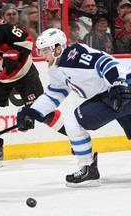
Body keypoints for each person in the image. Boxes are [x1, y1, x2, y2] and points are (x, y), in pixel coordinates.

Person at [16, 28, 131, 187]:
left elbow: (105, 62)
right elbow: (54, 94)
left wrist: (118, 82)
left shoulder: (73, 56)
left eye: (44, 51)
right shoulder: (56, 68)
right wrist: (33, 112)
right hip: (116, 89)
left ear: (57, 48)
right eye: (39, 51)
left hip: (121, 88)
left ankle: (88, 169)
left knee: (73, 122)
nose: (42, 56)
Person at [0, 4, 66, 169]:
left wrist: (15, 55)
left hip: (24, 73)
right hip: (1, 79)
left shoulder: (0, 27)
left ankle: (75, 136)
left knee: (43, 111)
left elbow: (27, 39)